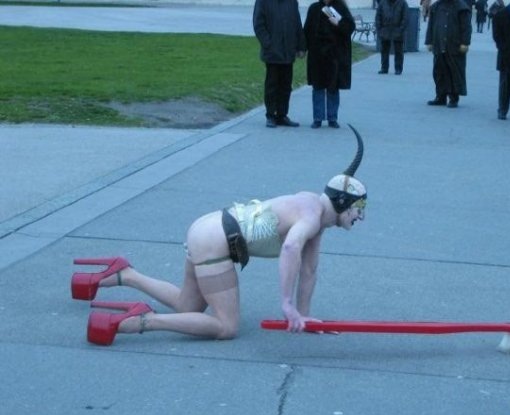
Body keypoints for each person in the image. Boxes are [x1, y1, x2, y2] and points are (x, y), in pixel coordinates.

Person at [71, 126, 368, 346]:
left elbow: (309, 270)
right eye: (359, 207)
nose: (360, 216)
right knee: (226, 326)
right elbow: (291, 248)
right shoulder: (311, 217)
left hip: (210, 230)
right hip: (216, 242)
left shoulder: (314, 213)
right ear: (343, 202)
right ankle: (136, 321)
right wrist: (287, 305)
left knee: (187, 308)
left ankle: (125, 274)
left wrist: (303, 317)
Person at [253, 0, 307, 128]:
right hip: (272, 53)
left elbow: (297, 24)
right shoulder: (263, 2)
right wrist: (268, 44)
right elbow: (258, 24)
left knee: (286, 86)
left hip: (288, 51)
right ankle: (270, 115)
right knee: (272, 85)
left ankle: (282, 115)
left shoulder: (292, 2)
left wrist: (301, 46)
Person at [304, 0, 356, 129]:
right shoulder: (314, 8)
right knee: (318, 86)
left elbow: (350, 27)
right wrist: (302, 48)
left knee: (333, 86)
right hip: (317, 54)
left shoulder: (340, 7)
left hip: (335, 55)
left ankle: (332, 117)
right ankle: (318, 118)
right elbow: (307, 30)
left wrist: (338, 23)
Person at [425, 0, 472, 108]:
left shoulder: (461, 7)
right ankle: (440, 96)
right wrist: (429, 41)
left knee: (453, 72)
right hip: (439, 44)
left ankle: (453, 97)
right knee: (439, 72)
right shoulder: (436, 6)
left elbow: (466, 27)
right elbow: (431, 25)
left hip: (454, 46)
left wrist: (465, 43)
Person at [375, 0, 409, 75]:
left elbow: (405, 18)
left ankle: (398, 69)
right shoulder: (382, 3)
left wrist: (401, 30)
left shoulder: (403, 3)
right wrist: (379, 29)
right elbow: (378, 17)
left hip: (398, 30)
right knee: (384, 50)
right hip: (385, 30)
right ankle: (384, 68)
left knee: (398, 51)